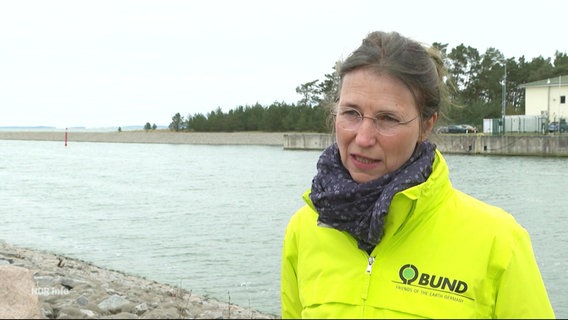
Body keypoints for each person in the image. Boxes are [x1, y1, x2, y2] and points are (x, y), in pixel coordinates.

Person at [280, 31, 555, 319]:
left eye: (388, 118)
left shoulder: (499, 241)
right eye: (351, 112)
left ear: (426, 126)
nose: (363, 137)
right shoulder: (304, 229)